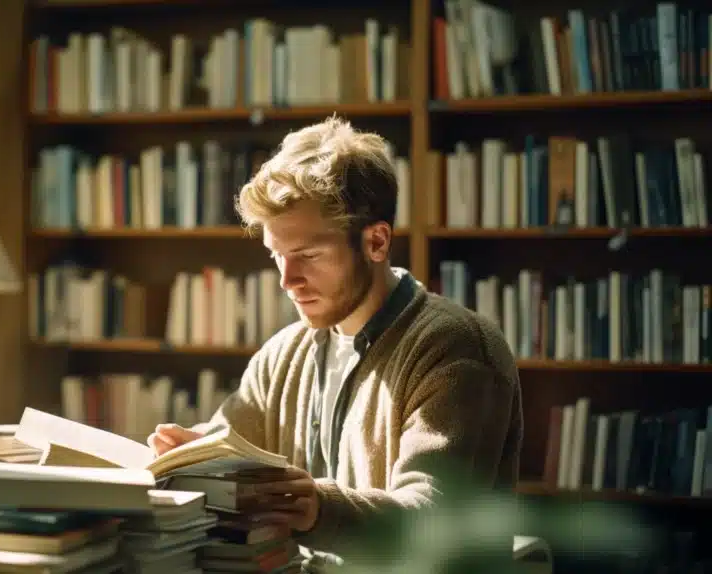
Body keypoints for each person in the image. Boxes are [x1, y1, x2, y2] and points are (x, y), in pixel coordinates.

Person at [147, 117, 523, 571]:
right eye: (277, 257)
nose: (287, 281)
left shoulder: (457, 348)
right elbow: (231, 446)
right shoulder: (283, 354)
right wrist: (190, 455)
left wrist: (319, 509)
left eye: (307, 256)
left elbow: (437, 520)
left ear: (376, 242)